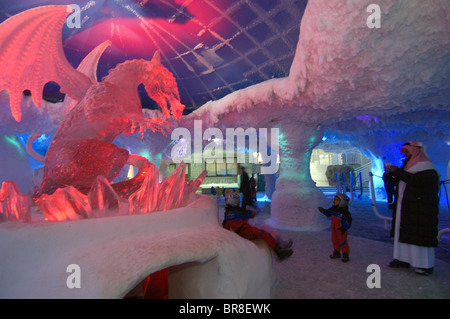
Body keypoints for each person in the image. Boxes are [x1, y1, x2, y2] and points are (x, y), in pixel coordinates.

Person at [387, 141, 440, 276]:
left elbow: (417, 182)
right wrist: (389, 174)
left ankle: (425, 265)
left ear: (415, 151)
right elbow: (401, 181)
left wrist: (398, 172)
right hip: (406, 207)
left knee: (420, 236)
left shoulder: (427, 168)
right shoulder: (407, 166)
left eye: (406, 151)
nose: (404, 154)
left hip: (420, 209)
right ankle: (403, 259)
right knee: (405, 233)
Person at [223, 192, 293, 261]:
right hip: (245, 231)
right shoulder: (236, 212)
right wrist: (256, 212)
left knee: (264, 228)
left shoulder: (229, 213)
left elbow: (225, 226)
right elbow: (249, 214)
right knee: (264, 234)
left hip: (243, 230)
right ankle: (279, 251)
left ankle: (279, 244)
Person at [318, 193, 352, 262]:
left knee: (342, 241)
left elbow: (349, 222)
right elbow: (329, 213)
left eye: (337, 200)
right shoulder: (333, 209)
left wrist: (344, 228)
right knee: (334, 240)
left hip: (341, 229)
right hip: (334, 228)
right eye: (335, 200)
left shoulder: (345, 213)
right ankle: (336, 252)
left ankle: (345, 254)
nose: (334, 201)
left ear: (342, 202)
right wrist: (323, 211)